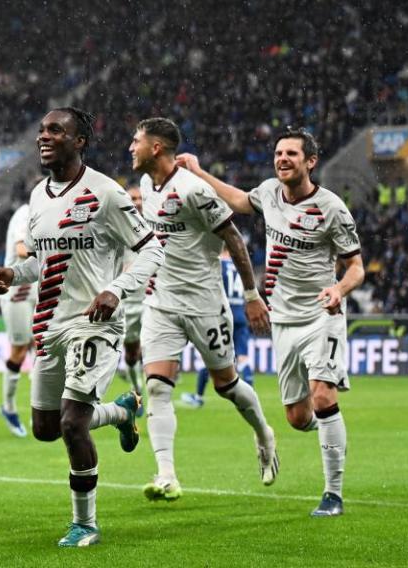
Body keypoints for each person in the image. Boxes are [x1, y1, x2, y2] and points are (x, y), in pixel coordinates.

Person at [0, 108, 164, 548]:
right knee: (46, 427)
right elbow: (40, 262)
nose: (43, 137)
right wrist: (15, 273)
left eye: (56, 131)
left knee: (72, 423)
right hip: (48, 324)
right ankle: (123, 411)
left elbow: (151, 250)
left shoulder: (106, 193)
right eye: (42, 129)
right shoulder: (38, 196)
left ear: (80, 140)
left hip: (94, 324)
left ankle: (85, 523)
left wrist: (117, 290)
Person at [177, 129, 365, 517]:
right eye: (278, 153)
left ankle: (333, 494)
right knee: (297, 418)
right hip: (283, 320)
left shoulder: (331, 208)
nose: (282, 159)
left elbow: (356, 268)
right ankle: (333, 435)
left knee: (324, 397)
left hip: (321, 315)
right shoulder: (268, 193)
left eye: (292, 154)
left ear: (310, 162)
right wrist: (198, 172)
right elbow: (236, 199)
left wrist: (339, 291)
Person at [130, 117, 277, 503]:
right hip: (160, 303)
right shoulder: (146, 185)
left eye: (137, 141)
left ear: (157, 148)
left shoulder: (194, 190)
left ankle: (263, 433)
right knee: (158, 386)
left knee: (226, 386)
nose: (131, 147)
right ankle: (166, 474)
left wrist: (251, 295)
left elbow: (235, 240)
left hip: (204, 304)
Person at [181, 245, 255, 408]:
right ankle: (251, 396)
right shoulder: (238, 265)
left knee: (210, 356)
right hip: (241, 314)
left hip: (223, 314)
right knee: (243, 357)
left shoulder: (218, 263)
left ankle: (198, 397)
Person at [0, 198, 37, 438]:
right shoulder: (26, 212)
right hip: (17, 291)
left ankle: (40, 409)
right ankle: (8, 406)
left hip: (36, 288)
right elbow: (21, 250)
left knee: (43, 348)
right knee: (20, 350)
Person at [118, 185, 147, 398]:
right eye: (133, 198)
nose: (137, 201)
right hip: (127, 301)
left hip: (151, 298)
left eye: (140, 198)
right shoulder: (117, 228)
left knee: (151, 346)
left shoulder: (155, 226)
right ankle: (136, 390)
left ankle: (156, 392)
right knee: (131, 350)